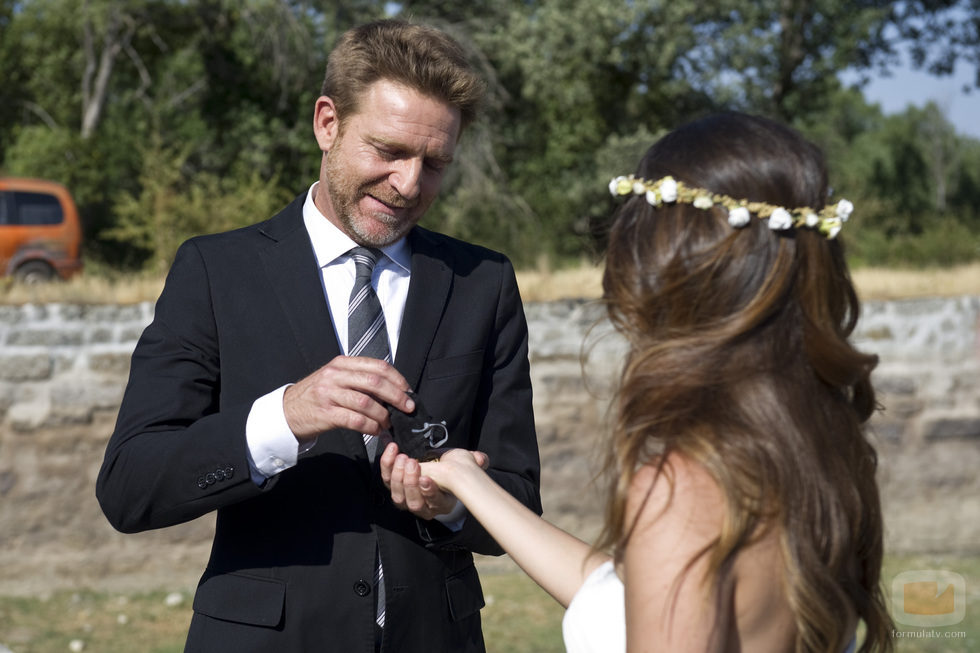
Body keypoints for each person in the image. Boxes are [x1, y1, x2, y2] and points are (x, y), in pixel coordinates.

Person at [95, 19, 541, 653]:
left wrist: (453, 506)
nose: (410, 184)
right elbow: (129, 487)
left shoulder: (483, 281)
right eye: (388, 150)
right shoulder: (215, 271)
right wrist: (284, 417)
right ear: (326, 123)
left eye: (435, 163)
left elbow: (519, 500)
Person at [412, 112, 894, 652]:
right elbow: (624, 592)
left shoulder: (684, 484)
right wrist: (467, 482)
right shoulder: (812, 445)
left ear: (664, 262)